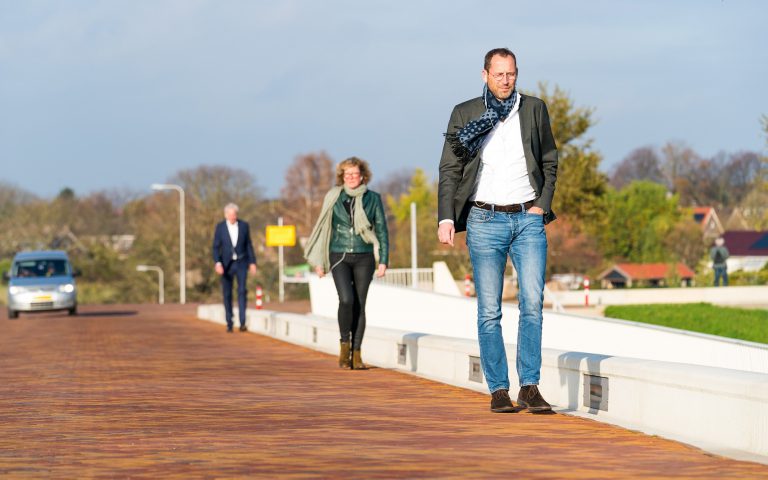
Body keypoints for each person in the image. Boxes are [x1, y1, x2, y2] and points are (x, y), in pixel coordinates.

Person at [437, 48, 558, 413]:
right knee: (489, 310)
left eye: (511, 74)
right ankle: (499, 390)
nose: (506, 81)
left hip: (528, 220)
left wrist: (542, 205)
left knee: (533, 304)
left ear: (517, 74)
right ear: (485, 75)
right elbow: (450, 168)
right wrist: (446, 217)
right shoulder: (466, 113)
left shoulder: (534, 109)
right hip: (484, 220)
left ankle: (530, 387)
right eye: (499, 74)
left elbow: (550, 160)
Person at [304, 157, 389, 370]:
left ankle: (357, 354)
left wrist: (384, 260)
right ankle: (344, 346)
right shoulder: (334, 197)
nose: (351, 178)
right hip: (339, 254)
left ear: (363, 176)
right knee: (346, 299)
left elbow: (382, 230)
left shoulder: (373, 198)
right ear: (342, 177)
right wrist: (319, 262)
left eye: (355, 174)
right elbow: (323, 229)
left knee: (360, 304)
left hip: (364, 255)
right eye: (347, 174)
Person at [212, 203, 257, 333]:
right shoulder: (220, 227)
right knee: (227, 293)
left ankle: (242, 322)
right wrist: (218, 263)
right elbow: (215, 247)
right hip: (226, 265)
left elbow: (249, 245)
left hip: (242, 263)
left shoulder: (244, 226)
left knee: (242, 291)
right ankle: (229, 322)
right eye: (230, 214)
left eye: (234, 214)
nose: (232, 217)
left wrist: (252, 262)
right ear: (226, 215)